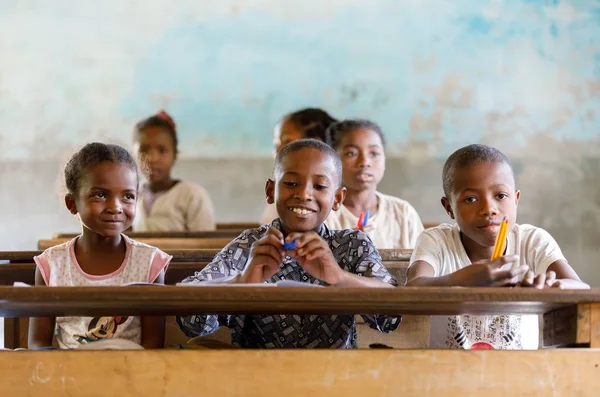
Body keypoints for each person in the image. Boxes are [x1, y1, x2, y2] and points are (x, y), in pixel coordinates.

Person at [178, 139, 401, 348]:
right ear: (270, 191)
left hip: (334, 381)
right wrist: (242, 281)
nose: (304, 194)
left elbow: (390, 315)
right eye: (291, 183)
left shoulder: (352, 245)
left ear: (337, 199)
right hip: (257, 381)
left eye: (320, 186)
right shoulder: (249, 246)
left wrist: (340, 278)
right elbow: (190, 320)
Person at [407, 144, 588, 349]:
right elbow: (413, 287)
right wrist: (460, 279)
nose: (489, 209)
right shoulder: (436, 241)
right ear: (449, 207)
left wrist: (551, 286)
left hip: (519, 374)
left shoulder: (532, 241)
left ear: (516, 199)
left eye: (500, 196)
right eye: (471, 199)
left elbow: (580, 288)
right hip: (448, 374)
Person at [29, 143, 171, 349]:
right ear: (72, 204)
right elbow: (38, 343)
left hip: (130, 373)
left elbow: (153, 344)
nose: (115, 207)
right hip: (68, 374)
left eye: (128, 196)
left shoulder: (149, 263)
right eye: (101, 195)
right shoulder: (52, 264)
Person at [326, 119, 423, 249]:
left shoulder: (403, 213)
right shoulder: (324, 214)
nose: (365, 162)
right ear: (332, 160)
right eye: (351, 153)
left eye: (374, 153)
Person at [133, 111, 215, 231]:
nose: (152, 158)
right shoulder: (131, 194)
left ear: (175, 155)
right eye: (144, 150)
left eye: (162, 150)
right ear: (133, 153)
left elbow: (206, 244)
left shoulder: (192, 195)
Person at [261, 108, 337, 224]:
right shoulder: (281, 189)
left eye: (287, 142)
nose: (278, 150)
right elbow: (267, 228)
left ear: (315, 143)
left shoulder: (334, 192)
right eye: (276, 144)